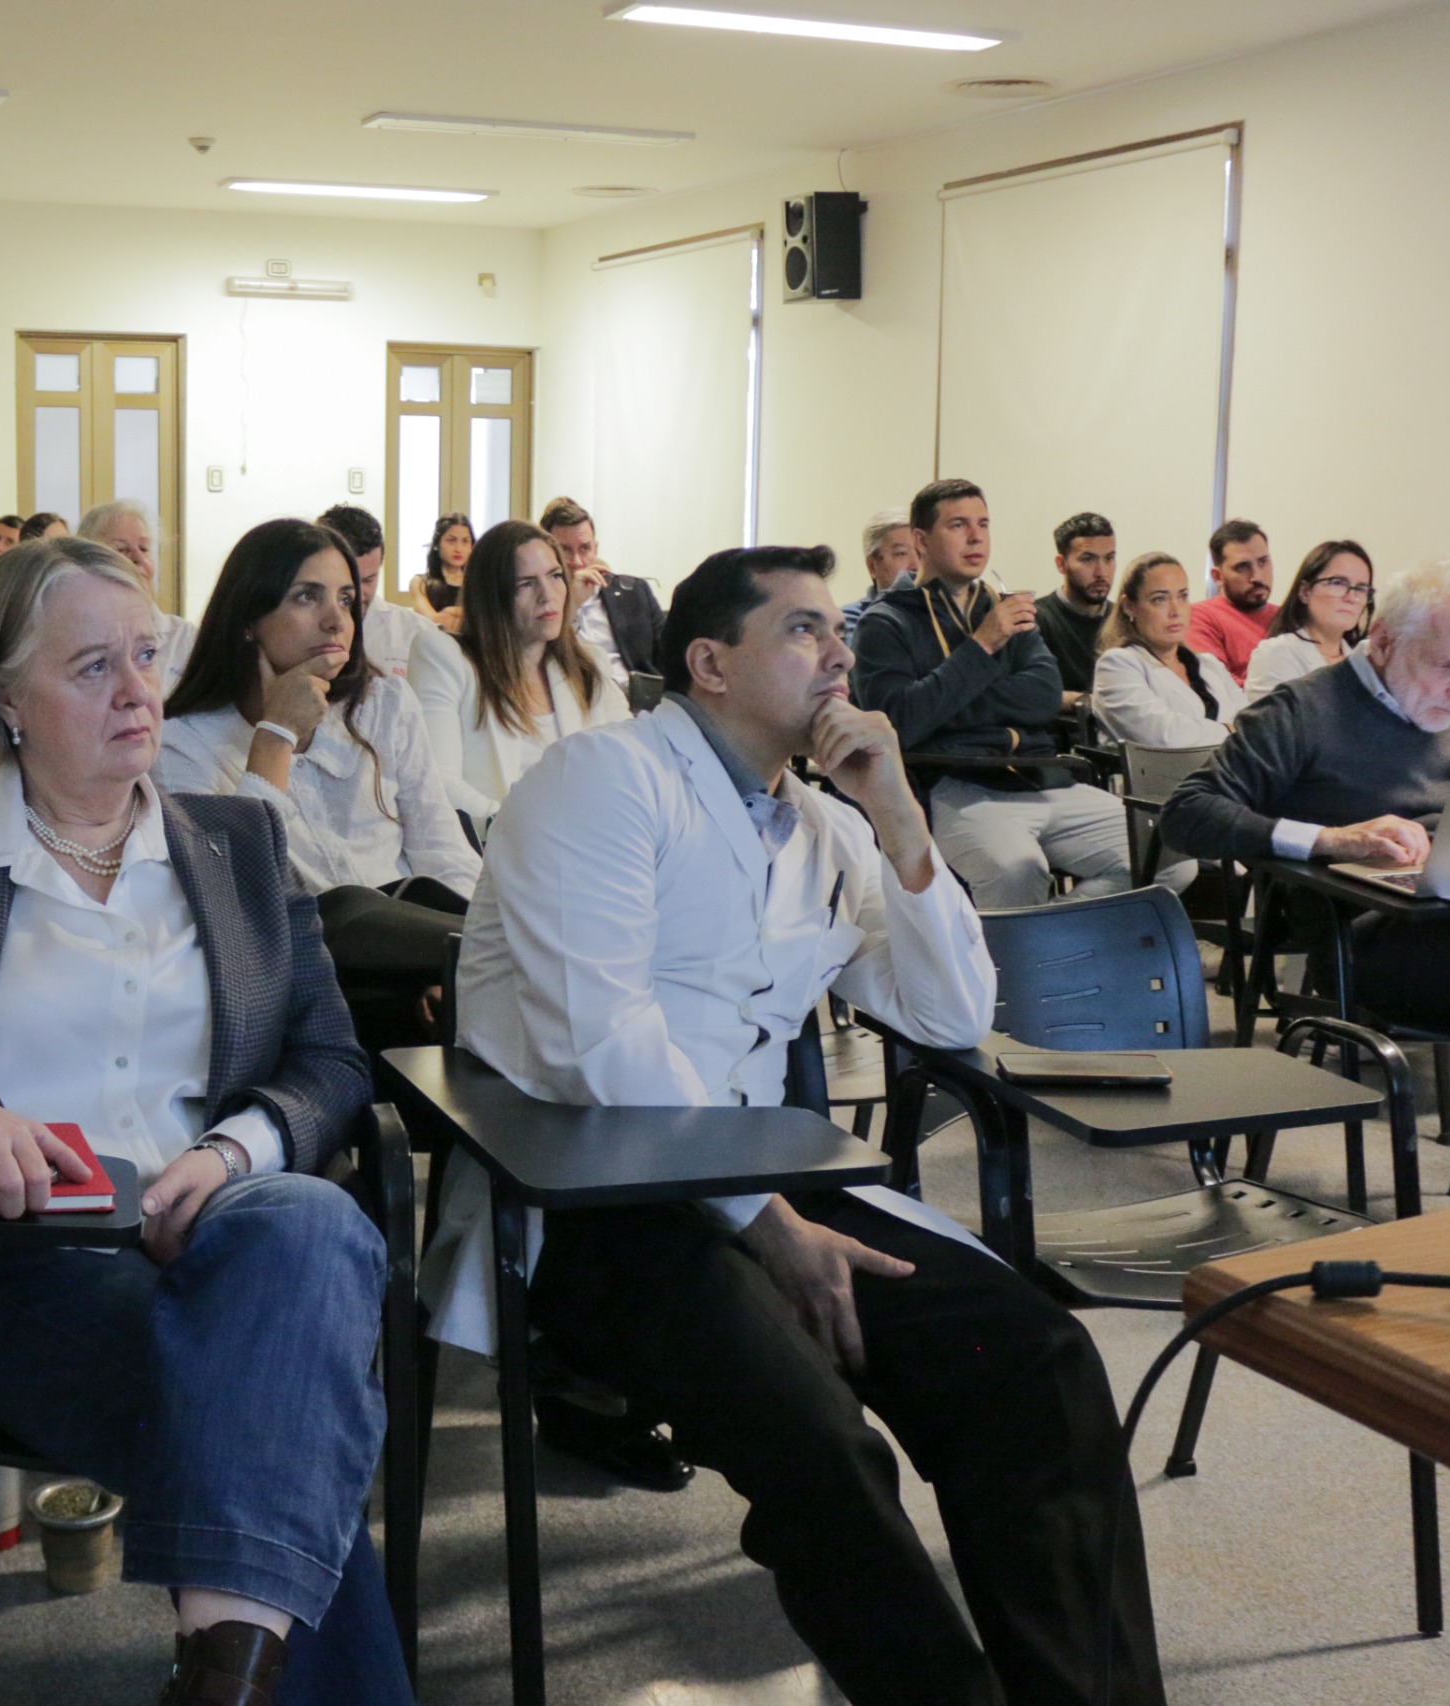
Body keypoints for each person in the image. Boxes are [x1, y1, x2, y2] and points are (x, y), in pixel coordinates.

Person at [421, 543, 1166, 1706]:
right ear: (709, 662)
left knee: (1037, 1363)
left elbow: (950, 1008)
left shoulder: (823, 820)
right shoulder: (600, 780)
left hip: (773, 1174)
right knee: (825, 1449)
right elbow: (597, 1043)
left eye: (840, 632)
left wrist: (899, 812)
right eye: (805, 630)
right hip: (595, 1193)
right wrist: (764, 1221)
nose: (839, 655)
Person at [0, 538, 410, 1706]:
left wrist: (226, 1153)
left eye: (145, 654)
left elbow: (330, 1056)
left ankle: (221, 1672)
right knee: (288, 1428)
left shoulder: (241, 838)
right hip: (13, 1256)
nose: (138, 689)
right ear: (5, 698)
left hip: (224, 1237)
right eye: (93, 665)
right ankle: (231, 1666)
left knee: (300, 1220)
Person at [1162, 554, 1450, 1178]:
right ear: (1383, 640)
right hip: (1373, 945)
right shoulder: (1303, 710)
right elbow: (1186, 814)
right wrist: (1330, 839)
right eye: (1445, 668)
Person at [156, 517, 479, 1049]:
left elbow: (444, 850)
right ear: (247, 619)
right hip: (298, 982)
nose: (337, 620)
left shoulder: (382, 706)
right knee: (346, 907)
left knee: (412, 903)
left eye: (347, 599)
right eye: (308, 597)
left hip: (417, 962)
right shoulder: (183, 743)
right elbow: (241, 897)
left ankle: (495, 954)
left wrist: (447, 969)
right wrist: (276, 735)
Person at [852, 478, 1135, 911]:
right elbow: (902, 722)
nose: (975, 536)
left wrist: (946, 704)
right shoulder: (885, 623)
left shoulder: (1007, 608)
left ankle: (1047, 940)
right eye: (958, 525)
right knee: (1018, 870)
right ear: (920, 540)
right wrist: (982, 646)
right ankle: (1019, 964)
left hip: (1040, 776)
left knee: (1162, 854)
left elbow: (1042, 697)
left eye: (983, 524)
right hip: (958, 784)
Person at [409, 518, 631, 823]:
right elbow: (438, 783)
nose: (548, 594)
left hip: (590, 843)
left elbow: (632, 761)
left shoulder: (590, 663)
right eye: (526, 583)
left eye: (555, 576)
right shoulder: (444, 657)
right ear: (492, 595)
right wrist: (530, 835)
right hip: (495, 850)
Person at [1089, 552, 1242, 749]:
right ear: (1129, 607)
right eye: (1159, 599)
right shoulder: (1117, 664)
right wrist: (1231, 731)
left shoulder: (1209, 664)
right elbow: (1165, 737)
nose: (1175, 611)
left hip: (1229, 776)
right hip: (1159, 778)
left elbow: (1255, 726)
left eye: (1183, 596)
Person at [78, 499, 197, 689]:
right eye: (121, 550)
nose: (139, 559)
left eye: (144, 548)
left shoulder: (185, 638)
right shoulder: (76, 637)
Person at [543, 496, 663, 684]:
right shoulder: (538, 601)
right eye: (565, 550)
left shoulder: (634, 593)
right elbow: (544, 662)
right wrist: (572, 604)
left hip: (638, 703)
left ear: (595, 549)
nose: (577, 562)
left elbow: (670, 657)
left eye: (584, 549)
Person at [1244, 540, 1377, 704]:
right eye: (1338, 583)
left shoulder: (1364, 663)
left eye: (1361, 588)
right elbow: (1274, 727)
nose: (1351, 597)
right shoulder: (1276, 653)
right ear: (1305, 592)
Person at [317, 502, 434, 681]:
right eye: (349, 581)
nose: (358, 593)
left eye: (368, 580)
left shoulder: (417, 633)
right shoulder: (292, 632)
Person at [1183, 518, 1278, 683]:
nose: (1257, 576)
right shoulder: (1199, 617)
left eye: (1263, 562)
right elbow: (1219, 684)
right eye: (1242, 567)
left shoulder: (1290, 616)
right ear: (1217, 576)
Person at [1034, 511, 1117, 700]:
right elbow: (1031, 696)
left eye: (1109, 558)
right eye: (1088, 559)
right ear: (1061, 564)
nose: (1101, 572)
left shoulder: (1124, 619)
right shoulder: (1037, 618)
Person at [838, 510, 918, 642]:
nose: (916, 566)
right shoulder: (851, 621)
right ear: (872, 566)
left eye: (921, 552)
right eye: (901, 554)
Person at [416, 512, 473, 630]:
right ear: (437, 543)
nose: (459, 548)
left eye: (465, 541)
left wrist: (449, 611)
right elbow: (434, 621)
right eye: (451, 541)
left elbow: (486, 621)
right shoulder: (420, 582)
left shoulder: (477, 582)